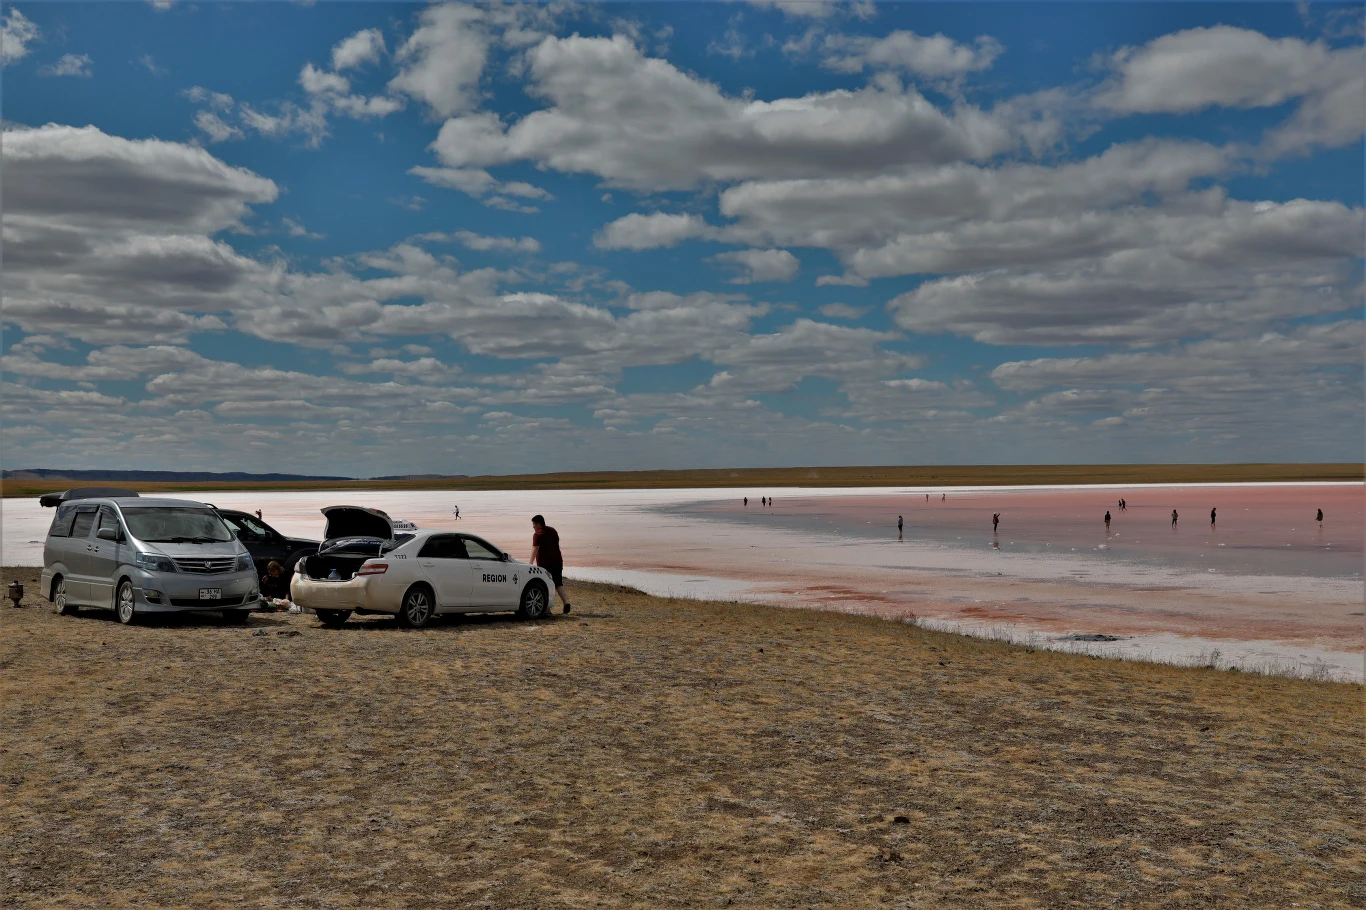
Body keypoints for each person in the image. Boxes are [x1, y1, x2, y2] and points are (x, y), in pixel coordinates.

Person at [530, 514, 570, 615]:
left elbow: (535, 548)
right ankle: (566, 602)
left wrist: (530, 563)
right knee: (558, 583)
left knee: (547, 585)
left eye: (534, 524)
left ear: (538, 524)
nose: (533, 527)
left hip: (545, 564)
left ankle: (547, 609)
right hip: (557, 561)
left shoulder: (538, 534)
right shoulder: (553, 530)